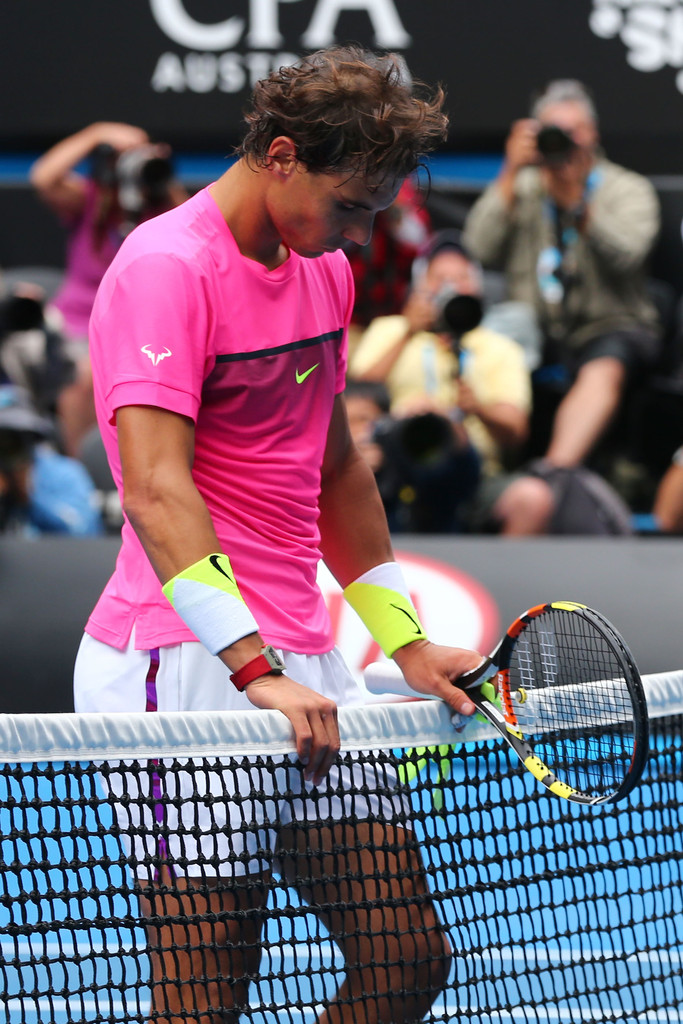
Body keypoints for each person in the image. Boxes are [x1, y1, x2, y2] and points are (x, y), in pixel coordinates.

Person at [73, 46, 484, 1023]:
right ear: (284, 156)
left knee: (405, 956)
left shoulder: (325, 274)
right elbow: (156, 491)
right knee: (205, 996)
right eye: (350, 205)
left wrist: (405, 642)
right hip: (181, 666)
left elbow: (335, 469)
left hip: (302, 653)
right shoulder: (165, 267)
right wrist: (252, 667)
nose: (361, 230)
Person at [463, 80, 661, 477]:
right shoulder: (522, 187)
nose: (564, 142)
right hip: (536, 328)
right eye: (553, 131)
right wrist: (509, 172)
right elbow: (477, 249)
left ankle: (552, 474)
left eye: (573, 131)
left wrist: (577, 205)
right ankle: (485, 476)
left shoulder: (627, 188)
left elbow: (628, 256)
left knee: (605, 363)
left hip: (610, 325)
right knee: (492, 348)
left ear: (593, 134)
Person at [349, 230, 531, 531]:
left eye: (460, 279)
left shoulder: (501, 347)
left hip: (474, 471)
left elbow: (516, 431)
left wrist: (478, 408)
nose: (449, 288)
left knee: (530, 498)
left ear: (477, 288)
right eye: (438, 279)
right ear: (419, 287)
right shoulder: (390, 330)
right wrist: (409, 330)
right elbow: (356, 395)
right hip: (392, 463)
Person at [30, 122, 187, 456]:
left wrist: (157, 174)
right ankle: (85, 471)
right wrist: (95, 134)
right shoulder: (89, 200)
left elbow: (197, 225)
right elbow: (43, 178)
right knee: (86, 377)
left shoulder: (162, 209)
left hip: (139, 325)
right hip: (78, 323)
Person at [0, 384, 102, 536]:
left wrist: (27, 498)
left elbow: (83, 532)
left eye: (16, 438)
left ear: (32, 437)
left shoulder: (64, 473)